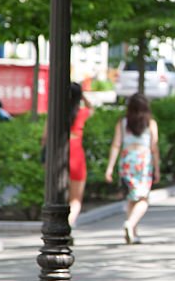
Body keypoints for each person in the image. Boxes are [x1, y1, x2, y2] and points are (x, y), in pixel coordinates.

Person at [104, 93, 160, 244]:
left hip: (127, 159)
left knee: (131, 197)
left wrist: (109, 168)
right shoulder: (150, 123)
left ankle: (133, 233)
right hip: (143, 161)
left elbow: (116, 145)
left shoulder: (123, 123)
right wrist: (157, 169)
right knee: (143, 198)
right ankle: (130, 224)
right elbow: (154, 148)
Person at [66, 82, 93, 226]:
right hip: (76, 153)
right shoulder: (81, 113)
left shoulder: (57, 113)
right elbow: (91, 108)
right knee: (76, 199)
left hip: (60, 153)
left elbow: (45, 136)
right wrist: (81, 95)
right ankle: (69, 224)